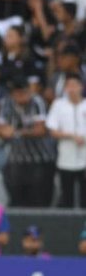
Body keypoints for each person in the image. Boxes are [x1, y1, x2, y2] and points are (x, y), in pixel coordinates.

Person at [0, 77, 56, 207]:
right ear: (12, 94)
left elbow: (41, 130)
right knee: (17, 197)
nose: (20, 96)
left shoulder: (37, 101)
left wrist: (16, 132)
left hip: (40, 159)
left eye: (23, 92)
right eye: (17, 93)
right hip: (16, 160)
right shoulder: (6, 102)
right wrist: (4, 132)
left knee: (39, 199)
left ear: (28, 91)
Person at [46, 73, 86, 208]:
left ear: (81, 87)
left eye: (74, 85)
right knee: (66, 195)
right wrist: (71, 136)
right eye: (68, 86)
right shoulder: (58, 105)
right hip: (65, 158)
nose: (72, 89)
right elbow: (52, 130)